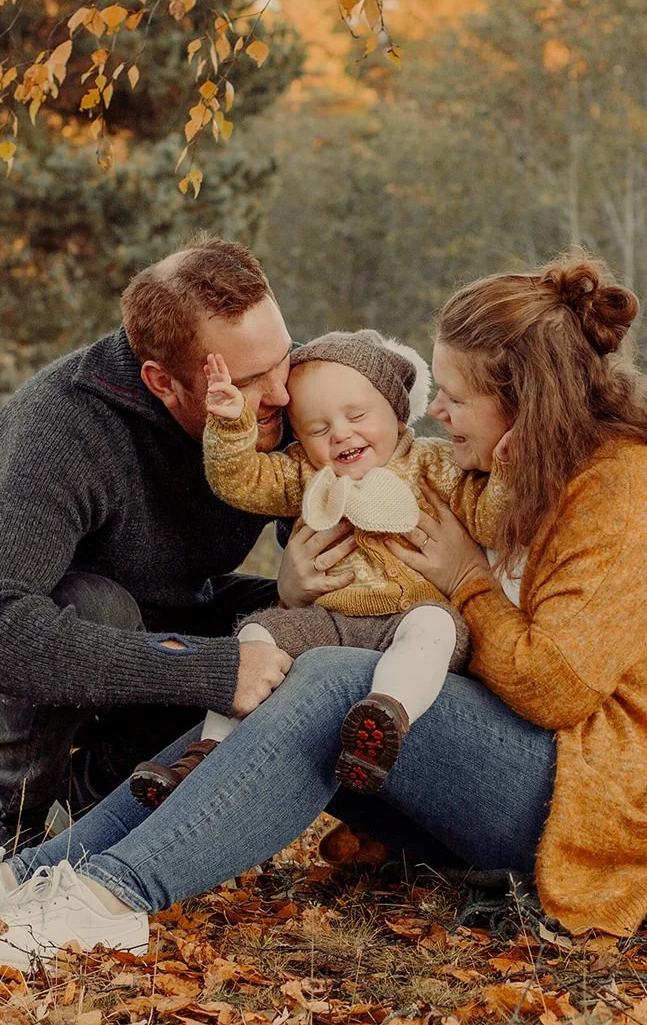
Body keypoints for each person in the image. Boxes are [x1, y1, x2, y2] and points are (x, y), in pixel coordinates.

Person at [0, 254, 647, 969]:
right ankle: (13, 876)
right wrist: (296, 597)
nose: (438, 415)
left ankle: (104, 900)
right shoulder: (506, 468)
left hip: (624, 792)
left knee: (339, 681)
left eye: (454, 397)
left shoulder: (627, 490)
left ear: (524, 400)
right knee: (317, 667)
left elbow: (558, 684)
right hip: (551, 760)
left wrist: (461, 584)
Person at [0, 236, 334, 859]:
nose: (281, 392)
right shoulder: (63, 425)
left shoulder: (285, 388)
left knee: (314, 620)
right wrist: (214, 670)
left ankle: (96, 787)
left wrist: (300, 588)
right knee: (94, 604)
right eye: (250, 381)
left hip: (150, 616)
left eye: (282, 358)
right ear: (162, 382)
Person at [127, 328, 508, 807]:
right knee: (258, 633)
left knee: (436, 628)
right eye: (317, 429)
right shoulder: (306, 473)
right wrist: (230, 425)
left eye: (356, 416)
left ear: (395, 409)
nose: (341, 434)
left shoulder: (436, 464)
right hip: (329, 620)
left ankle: (384, 719)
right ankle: (208, 751)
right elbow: (242, 481)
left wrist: (509, 468)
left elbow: (491, 520)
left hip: (411, 612)